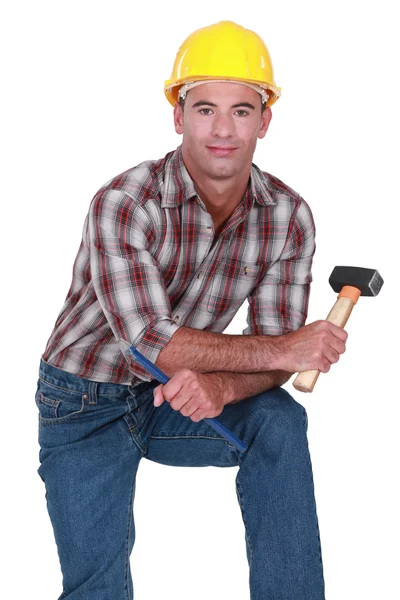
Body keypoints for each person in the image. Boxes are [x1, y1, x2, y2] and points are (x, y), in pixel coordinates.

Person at [35, 20, 347, 600]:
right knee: (97, 588)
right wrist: (286, 348)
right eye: (204, 109)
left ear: (266, 119)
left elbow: (274, 362)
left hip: (178, 397)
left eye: (242, 110)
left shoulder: (288, 215)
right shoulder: (125, 203)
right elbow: (153, 342)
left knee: (279, 422)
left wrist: (224, 388)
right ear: (178, 117)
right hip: (84, 397)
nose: (223, 129)